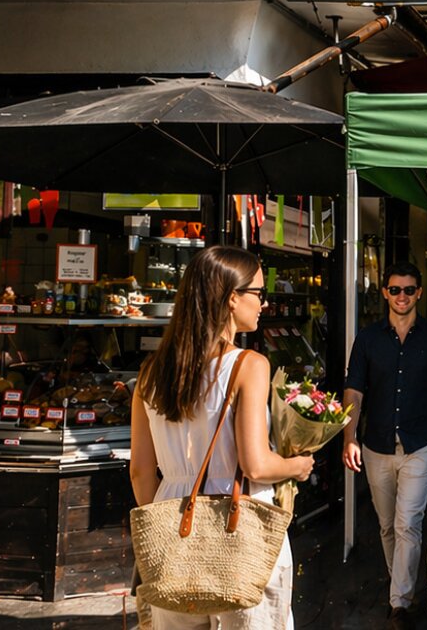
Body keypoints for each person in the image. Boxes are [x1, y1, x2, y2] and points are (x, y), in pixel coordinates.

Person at [129, 246, 313, 630]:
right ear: (232, 297)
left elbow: (140, 472)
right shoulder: (248, 365)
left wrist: (168, 528)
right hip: (241, 529)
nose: (263, 303)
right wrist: (297, 466)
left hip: (171, 531)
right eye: (259, 293)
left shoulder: (150, 373)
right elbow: (256, 464)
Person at [342, 264, 427, 629]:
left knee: (408, 522)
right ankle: (402, 586)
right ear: (385, 293)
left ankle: (399, 603)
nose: (402, 296)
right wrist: (349, 437)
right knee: (386, 525)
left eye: (409, 290)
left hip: (421, 442)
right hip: (376, 443)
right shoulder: (367, 338)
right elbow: (354, 391)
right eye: (395, 290)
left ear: (419, 293)